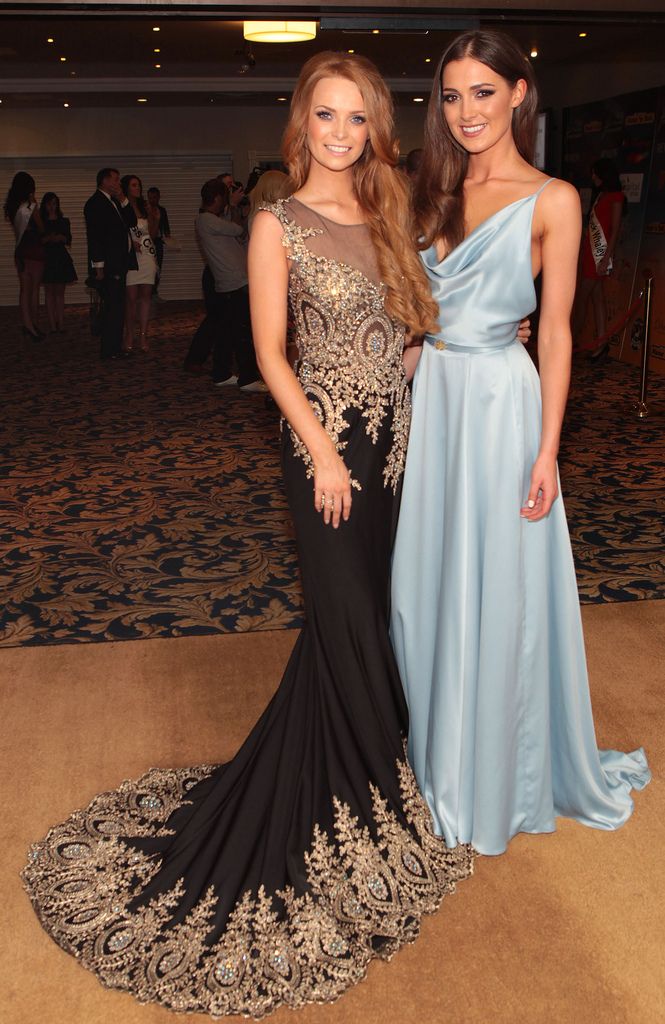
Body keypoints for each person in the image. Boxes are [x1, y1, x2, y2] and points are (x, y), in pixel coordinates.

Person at [23, 52, 474, 1018]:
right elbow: (270, 354)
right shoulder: (275, 222)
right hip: (326, 451)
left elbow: (400, 335)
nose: (341, 133)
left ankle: (356, 761)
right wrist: (320, 451)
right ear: (299, 122)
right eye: (326, 116)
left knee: (372, 618)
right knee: (348, 614)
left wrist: (449, 349)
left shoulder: (386, 208)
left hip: (394, 447)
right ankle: (366, 798)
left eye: (357, 117)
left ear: (374, 126)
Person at [390, 29, 651, 858]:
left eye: (482, 93)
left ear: (517, 95)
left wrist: (547, 452)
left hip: (502, 403)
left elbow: (560, 337)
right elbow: (408, 308)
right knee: (421, 584)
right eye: (452, 95)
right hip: (432, 397)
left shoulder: (554, 198)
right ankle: (436, 751)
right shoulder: (427, 187)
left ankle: (493, 772)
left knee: (497, 587)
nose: (466, 111)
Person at [184, 179, 264, 391]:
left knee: (226, 331)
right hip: (234, 282)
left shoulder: (212, 220)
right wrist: (236, 206)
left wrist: (234, 207)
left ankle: (221, 373)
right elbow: (238, 230)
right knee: (242, 332)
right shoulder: (205, 220)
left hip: (233, 281)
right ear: (219, 198)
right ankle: (247, 378)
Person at [573, 158, 625, 360]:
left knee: (582, 298)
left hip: (600, 255)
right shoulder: (600, 195)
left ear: (605, 174)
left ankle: (570, 340)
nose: (593, 177)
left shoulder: (617, 197)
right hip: (589, 252)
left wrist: (606, 258)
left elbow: (614, 231)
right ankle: (602, 345)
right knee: (597, 298)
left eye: (596, 173)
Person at [84, 167, 137, 361]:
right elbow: (96, 237)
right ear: (105, 181)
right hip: (108, 264)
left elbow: (131, 221)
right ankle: (108, 350)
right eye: (115, 179)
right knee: (113, 307)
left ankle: (114, 346)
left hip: (120, 262)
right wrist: (98, 267)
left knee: (118, 306)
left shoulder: (114, 201)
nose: (118, 182)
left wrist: (123, 197)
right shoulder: (95, 203)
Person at [3, 171, 45, 340]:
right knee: (34, 290)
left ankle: (28, 324)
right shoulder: (30, 206)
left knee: (24, 291)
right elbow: (41, 228)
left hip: (21, 250)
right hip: (34, 249)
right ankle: (32, 324)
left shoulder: (12, 207)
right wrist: (35, 205)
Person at [121, 174, 159, 352]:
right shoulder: (122, 207)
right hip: (130, 255)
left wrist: (154, 217)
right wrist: (128, 241)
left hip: (146, 253)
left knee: (146, 296)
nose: (138, 188)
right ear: (126, 188)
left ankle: (143, 335)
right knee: (131, 298)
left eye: (139, 185)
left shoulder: (144, 207)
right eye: (134, 185)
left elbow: (151, 233)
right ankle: (129, 334)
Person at [39, 191, 77, 334]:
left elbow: (68, 238)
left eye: (54, 204)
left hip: (60, 257)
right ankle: (52, 325)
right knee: (49, 292)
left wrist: (60, 237)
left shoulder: (63, 220)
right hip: (47, 257)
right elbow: (39, 240)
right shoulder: (41, 222)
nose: (52, 207)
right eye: (49, 204)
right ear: (45, 205)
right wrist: (49, 238)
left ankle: (60, 323)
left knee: (60, 293)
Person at [147, 186, 171, 298]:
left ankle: (154, 292)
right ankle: (147, 292)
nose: (152, 200)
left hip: (158, 241)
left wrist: (169, 238)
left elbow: (166, 227)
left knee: (158, 267)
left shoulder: (162, 210)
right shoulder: (145, 209)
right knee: (148, 267)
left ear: (158, 197)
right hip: (146, 242)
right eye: (150, 197)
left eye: (154, 197)